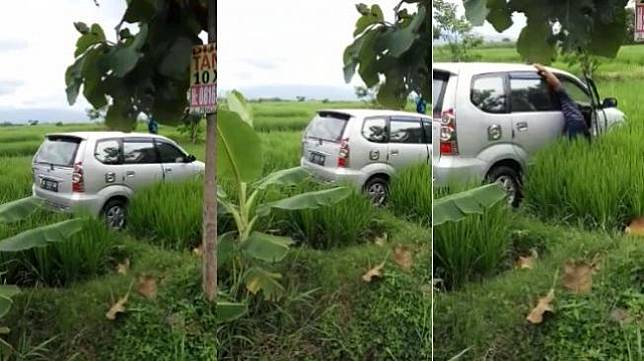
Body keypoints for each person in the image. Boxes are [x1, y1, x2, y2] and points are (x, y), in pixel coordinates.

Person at [534, 64, 590, 140]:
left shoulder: (560, 96)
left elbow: (557, 83)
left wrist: (543, 69)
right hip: (576, 122)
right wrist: (543, 69)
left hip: (574, 122)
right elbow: (557, 84)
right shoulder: (563, 98)